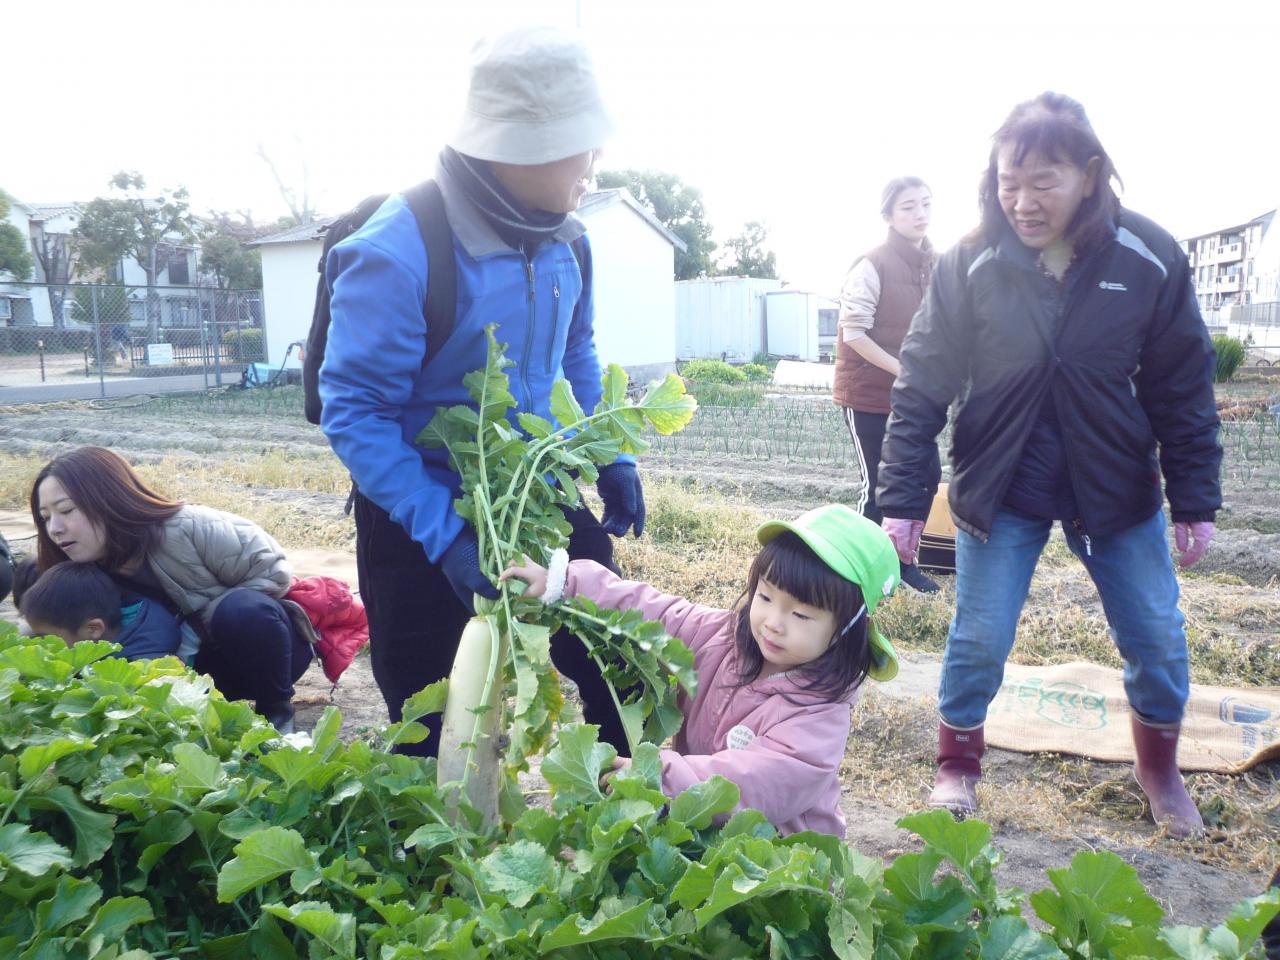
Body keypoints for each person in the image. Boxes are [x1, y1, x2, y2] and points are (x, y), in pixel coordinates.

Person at [876, 92, 1221, 838]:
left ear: (1089, 175)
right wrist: (901, 500)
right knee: (979, 635)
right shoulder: (970, 260)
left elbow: (1182, 386)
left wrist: (1195, 500)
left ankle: (1160, 771)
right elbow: (923, 379)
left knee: (1155, 634)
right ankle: (957, 765)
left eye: (1044, 182)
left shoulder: (1148, 255)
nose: (1023, 202)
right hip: (1002, 483)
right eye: (1010, 182)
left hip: (1115, 483)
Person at [320, 26, 644, 756]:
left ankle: (638, 805)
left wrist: (610, 452)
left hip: (533, 491)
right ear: (518, 148)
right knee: (430, 718)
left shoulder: (569, 238)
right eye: (581, 143)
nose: (595, 159)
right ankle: (439, 826)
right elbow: (357, 412)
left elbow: (576, 349)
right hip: (416, 509)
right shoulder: (397, 250)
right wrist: (448, 537)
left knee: (619, 662)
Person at [500, 504, 900, 837]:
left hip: (782, 859)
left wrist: (658, 775)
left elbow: (753, 781)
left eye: (801, 615)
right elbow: (654, 611)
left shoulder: (821, 714)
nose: (773, 623)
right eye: (765, 597)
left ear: (847, 630)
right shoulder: (720, 637)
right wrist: (565, 582)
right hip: (701, 821)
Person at [30, 445, 314, 732]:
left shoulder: (187, 527)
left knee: (242, 609)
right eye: (45, 517)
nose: (55, 528)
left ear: (108, 498)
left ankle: (276, 711)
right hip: (189, 675)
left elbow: (273, 572)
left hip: (264, 658)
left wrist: (194, 629)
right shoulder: (76, 570)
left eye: (66, 510)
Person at [835, 177, 942, 594]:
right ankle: (856, 569)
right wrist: (905, 370)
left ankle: (901, 561)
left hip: (915, 396)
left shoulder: (937, 264)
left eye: (926, 204)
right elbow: (854, 333)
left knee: (926, 475)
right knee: (881, 486)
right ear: (889, 216)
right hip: (868, 394)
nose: (920, 214)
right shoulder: (872, 264)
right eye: (908, 206)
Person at [19, 561, 182, 661]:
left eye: (44, 637)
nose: (41, 645)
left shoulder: (147, 664)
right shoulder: (90, 630)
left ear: (93, 629)